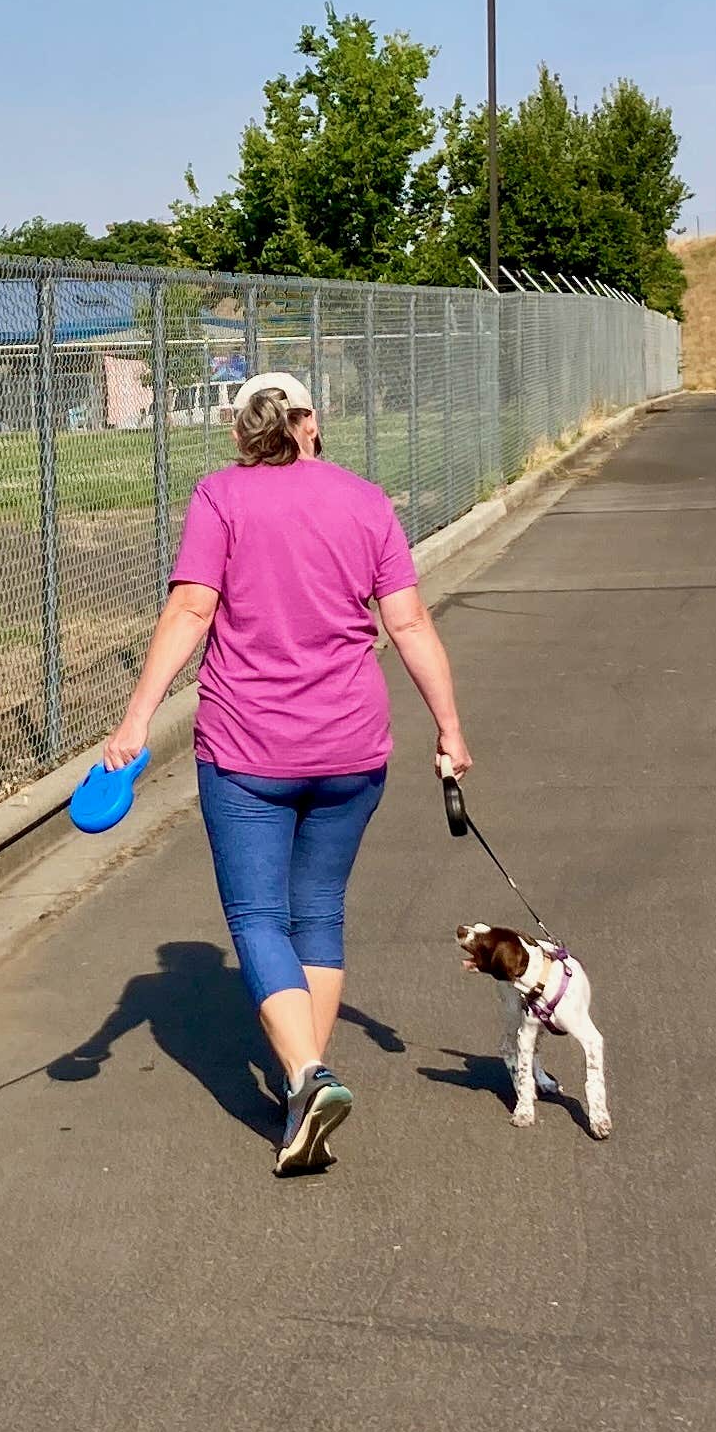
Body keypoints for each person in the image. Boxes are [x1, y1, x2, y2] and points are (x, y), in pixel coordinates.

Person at [96, 368, 470, 1174]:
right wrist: (449, 729)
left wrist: (136, 718)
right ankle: (309, 1087)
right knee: (319, 917)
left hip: (248, 750)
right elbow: (406, 622)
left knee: (258, 919)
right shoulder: (366, 501)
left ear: (240, 431)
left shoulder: (221, 497)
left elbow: (192, 609)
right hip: (351, 748)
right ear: (314, 422)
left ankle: (306, 1073)